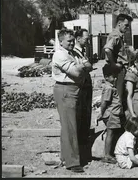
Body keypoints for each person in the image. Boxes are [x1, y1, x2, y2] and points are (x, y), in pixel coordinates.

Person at [52, 29, 93, 173]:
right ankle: (72, 162)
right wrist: (82, 66)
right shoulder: (60, 54)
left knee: (71, 125)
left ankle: (66, 157)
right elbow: (76, 72)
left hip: (75, 89)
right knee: (70, 126)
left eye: (72, 40)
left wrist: (81, 66)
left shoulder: (73, 53)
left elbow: (90, 66)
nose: (72, 43)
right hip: (65, 90)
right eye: (68, 41)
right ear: (61, 41)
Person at [97, 64, 124, 164]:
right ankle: (107, 155)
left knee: (112, 133)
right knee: (110, 134)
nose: (115, 78)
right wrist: (101, 113)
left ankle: (109, 153)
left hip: (114, 114)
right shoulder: (109, 88)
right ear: (106, 77)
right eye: (113, 76)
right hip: (112, 114)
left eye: (116, 76)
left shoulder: (110, 87)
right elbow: (104, 102)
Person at [73, 28, 93, 164]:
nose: (87, 41)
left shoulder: (83, 51)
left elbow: (88, 66)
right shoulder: (74, 52)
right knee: (80, 116)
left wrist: (87, 66)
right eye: (85, 38)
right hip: (81, 86)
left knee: (87, 114)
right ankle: (80, 146)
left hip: (87, 84)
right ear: (79, 38)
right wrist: (87, 66)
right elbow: (83, 67)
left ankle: (84, 143)